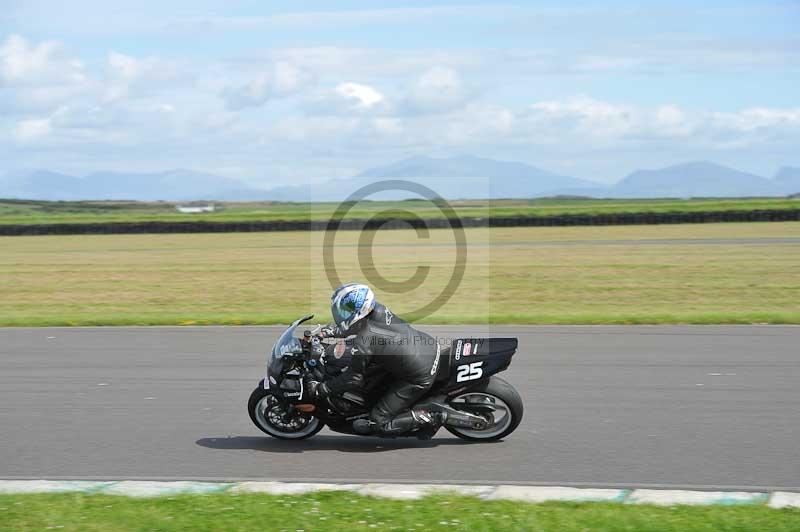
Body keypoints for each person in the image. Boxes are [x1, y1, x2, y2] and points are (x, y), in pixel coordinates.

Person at [307, 283, 443, 436]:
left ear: (361, 309)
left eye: (347, 311)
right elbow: (353, 326)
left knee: (379, 422)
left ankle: (430, 417)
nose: (342, 313)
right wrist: (327, 332)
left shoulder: (365, 340)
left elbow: (352, 380)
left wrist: (321, 389)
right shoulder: (378, 309)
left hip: (419, 375)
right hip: (427, 347)